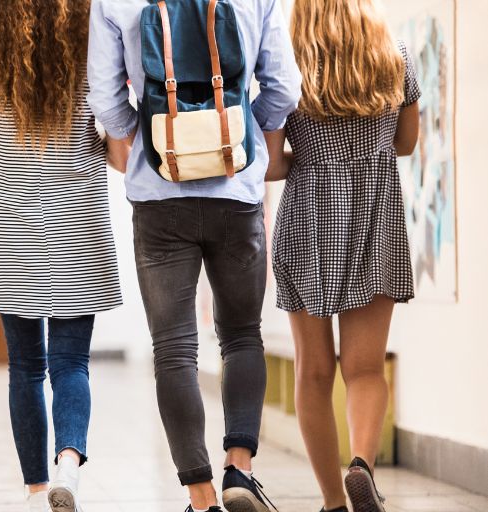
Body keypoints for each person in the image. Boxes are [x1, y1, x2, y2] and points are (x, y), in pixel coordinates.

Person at [87, 1, 302, 511]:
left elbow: (105, 94)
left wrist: (146, 139)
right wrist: (243, 127)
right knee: (242, 334)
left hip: (160, 194)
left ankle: (200, 495)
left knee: (174, 348)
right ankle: (240, 470)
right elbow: (284, 87)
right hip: (237, 189)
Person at [0, 1, 127, 511]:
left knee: (25, 367)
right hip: (81, 223)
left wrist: (5, 150)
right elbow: (119, 155)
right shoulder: (92, 43)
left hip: (10, 226)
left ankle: (34, 490)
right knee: (72, 363)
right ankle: (68, 465)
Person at [265, 0, 421, 510]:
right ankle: (362, 466)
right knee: (366, 369)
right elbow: (406, 142)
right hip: (376, 218)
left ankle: (333, 500)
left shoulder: (286, 62)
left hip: (308, 218)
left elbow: (268, 165)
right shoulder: (394, 56)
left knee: (314, 371)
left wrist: (313, 158)